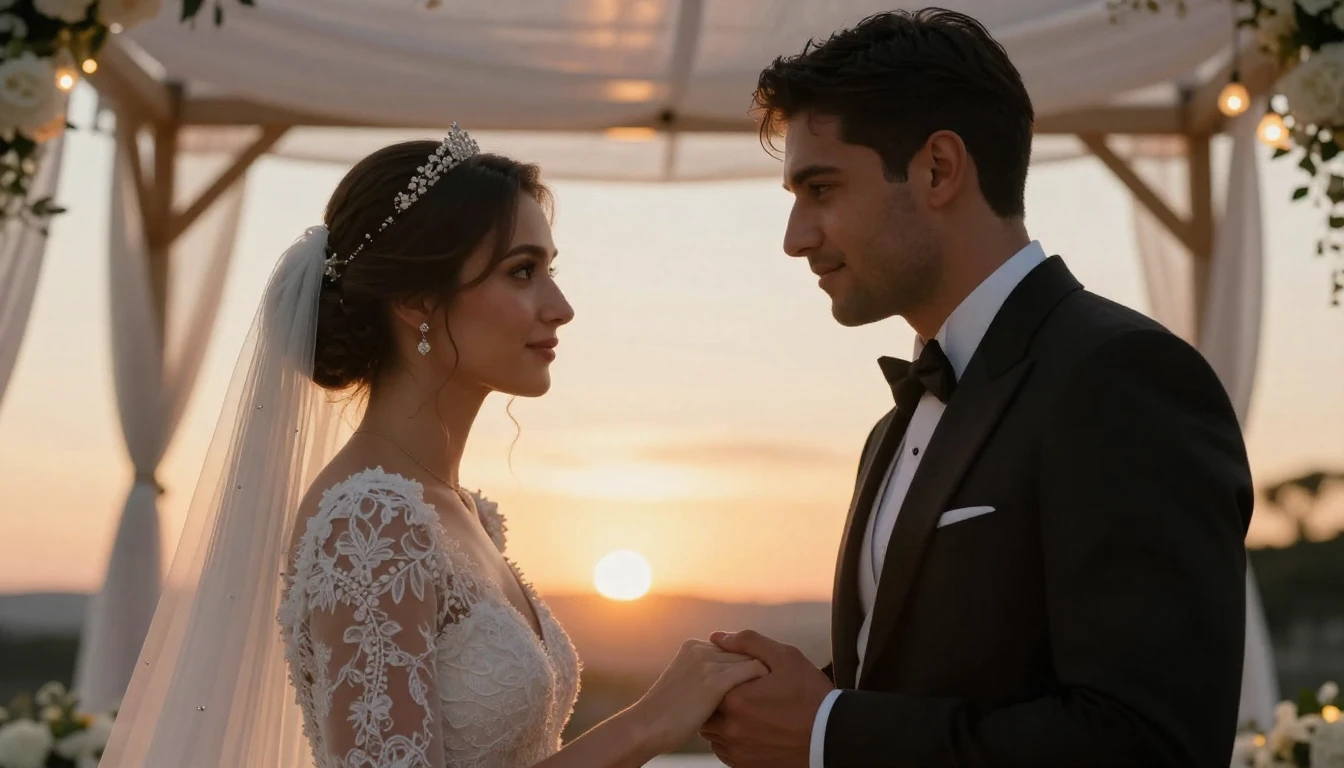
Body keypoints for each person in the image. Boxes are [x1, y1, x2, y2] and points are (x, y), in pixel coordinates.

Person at [99, 125, 766, 768]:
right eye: (523, 271)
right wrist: (646, 726)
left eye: (549, 269)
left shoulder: (460, 513)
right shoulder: (371, 523)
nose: (559, 305)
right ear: (418, 300)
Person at [700, 9, 1253, 768]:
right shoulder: (892, 433)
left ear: (938, 169)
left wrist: (830, 732)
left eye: (821, 188)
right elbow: (937, 686)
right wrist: (788, 698)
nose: (796, 237)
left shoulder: (1123, 378)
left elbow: (1149, 742)